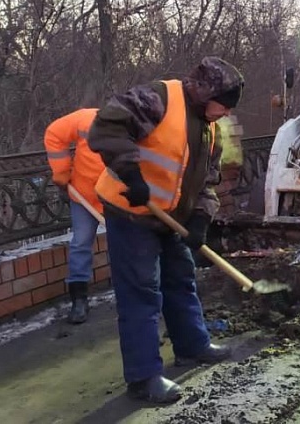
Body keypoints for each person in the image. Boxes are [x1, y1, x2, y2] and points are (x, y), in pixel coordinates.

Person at [87, 56, 244, 405]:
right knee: (143, 292)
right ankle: (143, 378)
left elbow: (208, 181)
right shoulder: (158, 98)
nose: (225, 113)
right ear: (205, 92)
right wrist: (131, 174)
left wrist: (200, 218)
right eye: (223, 106)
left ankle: (192, 345)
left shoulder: (210, 127)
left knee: (181, 278)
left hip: (170, 217)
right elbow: (106, 127)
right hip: (131, 212)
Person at [44, 108, 105, 324]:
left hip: (119, 197)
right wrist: (61, 172)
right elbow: (54, 134)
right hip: (84, 196)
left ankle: (134, 294)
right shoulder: (85, 119)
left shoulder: (137, 125)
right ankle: (79, 299)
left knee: (126, 244)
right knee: (81, 243)